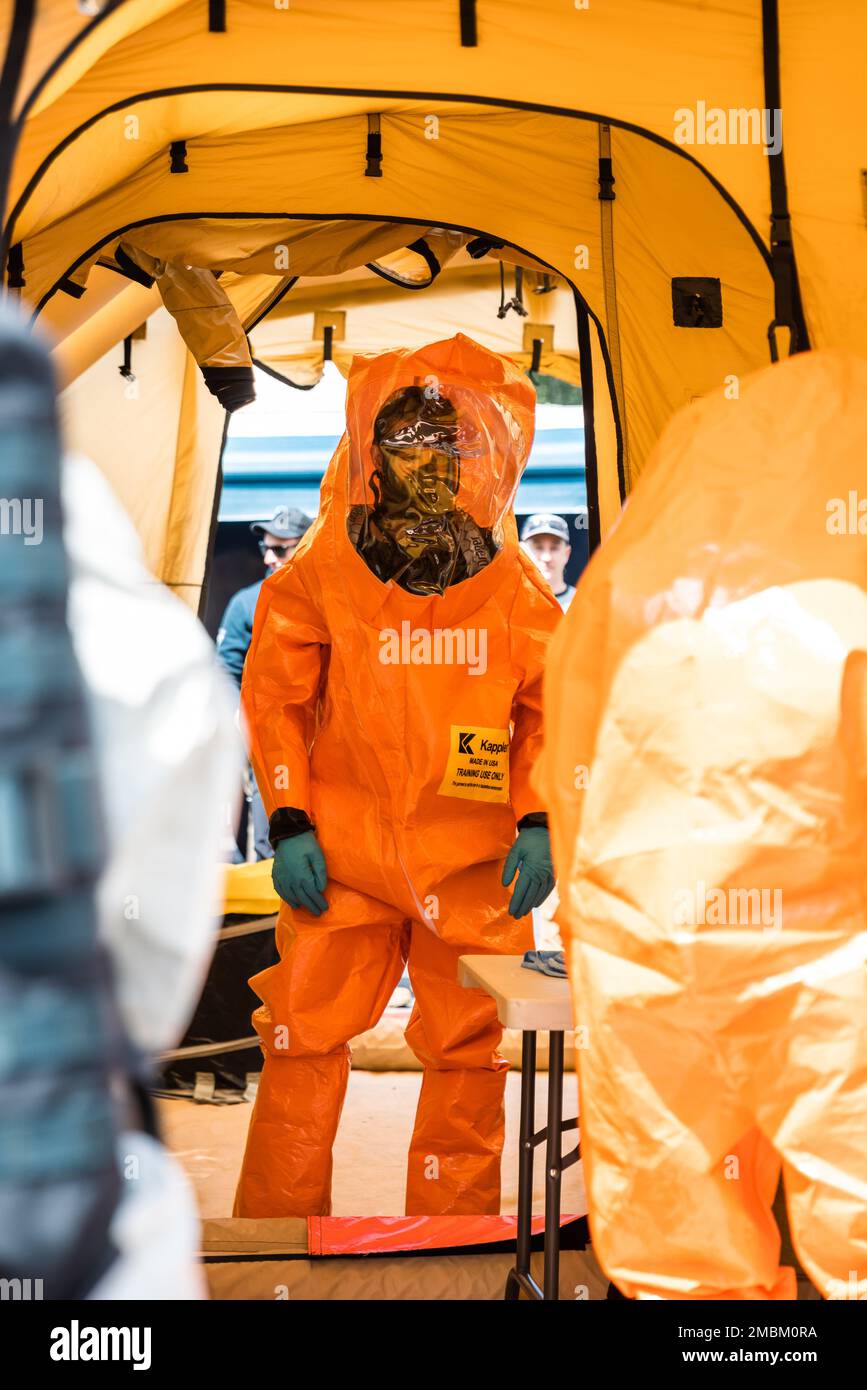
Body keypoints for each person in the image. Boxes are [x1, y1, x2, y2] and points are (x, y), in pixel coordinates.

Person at [537, 350, 867, 1301]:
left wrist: (590, 922)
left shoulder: (639, 580)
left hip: (650, 945)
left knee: (682, 1258)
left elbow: (572, 752)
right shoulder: (836, 578)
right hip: (830, 953)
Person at [233, 334, 561, 1218]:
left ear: (484, 458)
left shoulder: (517, 592)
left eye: (447, 448)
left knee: (469, 1051)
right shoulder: (323, 575)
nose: (428, 467)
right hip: (343, 852)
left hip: (471, 863)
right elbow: (276, 698)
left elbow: (546, 715)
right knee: (303, 1040)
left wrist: (539, 819)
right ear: (372, 451)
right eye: (408, 445)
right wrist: (291, 816)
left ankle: (450, 1236)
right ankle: (278, 1239)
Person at [216, 506, 312, 860]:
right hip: (271, 747)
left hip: (329, 750)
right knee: (275, 842)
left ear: (305, 547)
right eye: (265, 549)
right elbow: (224, 672)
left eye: (280, 549)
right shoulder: (246, 604)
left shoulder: (335, 599)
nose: (269, 558)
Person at [520, 512, 575, 611]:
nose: (546, 557)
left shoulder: (583, 603)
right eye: (538, 547)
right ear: (523, 551)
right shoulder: (508, 605)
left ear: (566, 554)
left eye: (554, 548)